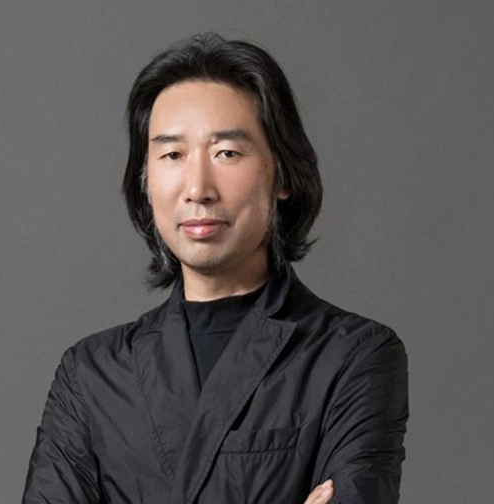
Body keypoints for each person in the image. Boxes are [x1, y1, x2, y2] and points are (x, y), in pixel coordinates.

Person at [23, 32, 409, 504]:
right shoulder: (91, 373)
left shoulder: (353, 356)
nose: (197, 188)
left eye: (227, 152)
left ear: (282, 174)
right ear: (145, 181)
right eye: (172, 155)